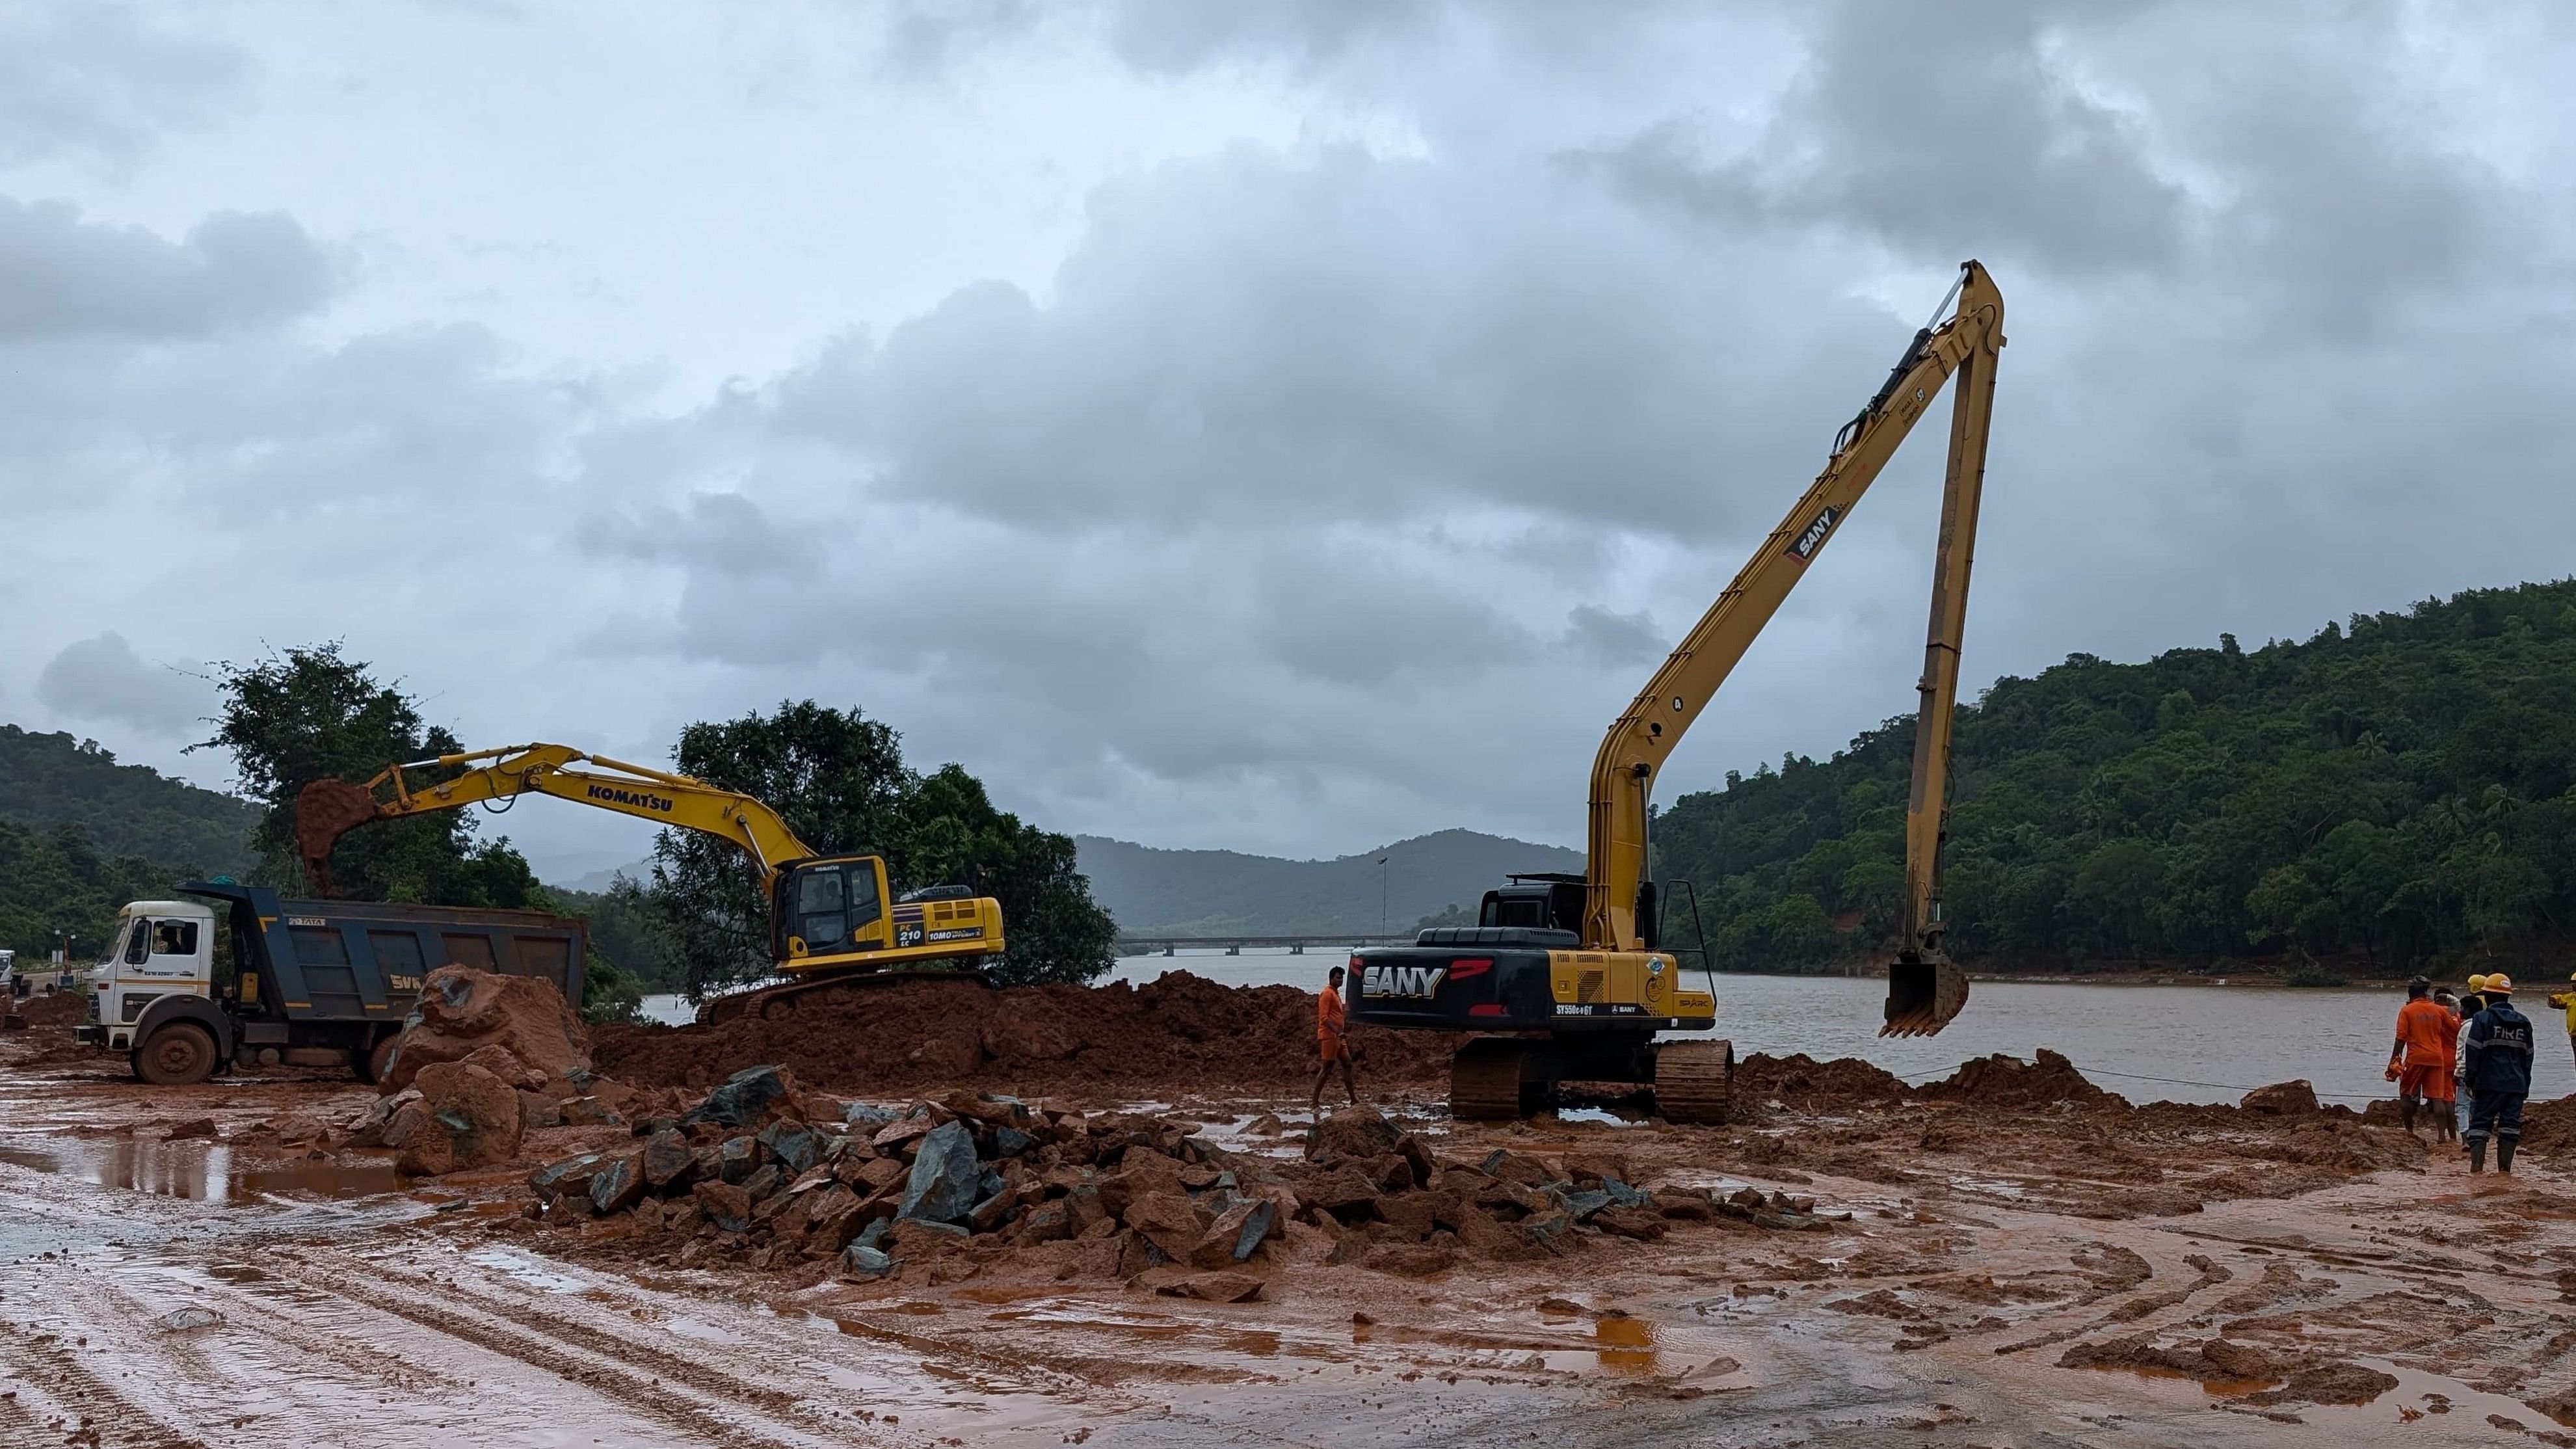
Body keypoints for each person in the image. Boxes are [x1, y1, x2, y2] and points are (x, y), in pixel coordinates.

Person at [2462, 973, 2538, 1174]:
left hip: (2488, 1083)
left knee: (2479, 1126)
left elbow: (2473, 1051)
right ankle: (2505, 1172)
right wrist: (2525, 1085)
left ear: (2487, 997)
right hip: (2516, 1085)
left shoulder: (2482, 1019)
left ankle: (2476, 1170)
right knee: (2510, 1127)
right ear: (2507, 997)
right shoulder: (2524, 1022)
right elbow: (2528, 1057)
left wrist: (2470, 1080)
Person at [2387, 977, 2456, 1141]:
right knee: (2438, 1097)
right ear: (2426, 993)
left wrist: (2394, 1060)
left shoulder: (2407, 1011)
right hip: (2437, 1058)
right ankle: (2442, 1137)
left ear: (2410, 994)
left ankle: (2409, 1131)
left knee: (2406, 1093)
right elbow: (2455, 1029)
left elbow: (2401, 1039)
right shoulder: (2438, 1010)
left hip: (2416, 1058)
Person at [1308, 964, 1358, 1141]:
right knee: (1327, 1068)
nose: (1341, 981)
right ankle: (1314, 1101)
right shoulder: (1327, 994)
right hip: (1330, 1036)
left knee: (1348, 1063)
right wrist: (1337, 1031)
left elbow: (1336, 1013)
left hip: (1339, 1037)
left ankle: (1353, 1099)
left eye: (1342, 978)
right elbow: (1324, 1018)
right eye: (1338, 978)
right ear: (1331, 978)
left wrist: (1345, 1013)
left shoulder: (1336, 994)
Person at [2548, 972, 2576, 1072]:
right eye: (2573, 983)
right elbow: (2560, 999)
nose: (2574, 986)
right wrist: (2552, 999)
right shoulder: (2571, 998)